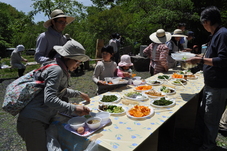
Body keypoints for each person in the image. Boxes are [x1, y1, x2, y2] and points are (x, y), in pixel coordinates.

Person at [17, 39, 91, 151]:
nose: (78, 65)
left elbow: (59, 91)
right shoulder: (57, 70)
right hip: (33, 120)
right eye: (76, 61)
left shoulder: (59, 67)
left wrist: (79, 93)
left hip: (39, 118)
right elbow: (50, 99)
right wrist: (74, 108)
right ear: (66, 57)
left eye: (80, 62)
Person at [186, 6, 227, 151]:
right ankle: (201, 139)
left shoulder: (223, 34)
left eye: (203, 23)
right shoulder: (215, 35)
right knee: (204, 114)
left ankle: (208, 145)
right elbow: (211, 55)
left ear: (207, 22)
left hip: (217, 86)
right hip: (210, 84)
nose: (203, 26)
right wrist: (199, 57)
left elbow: (223, 60)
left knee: (211, 119)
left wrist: (200, 61)